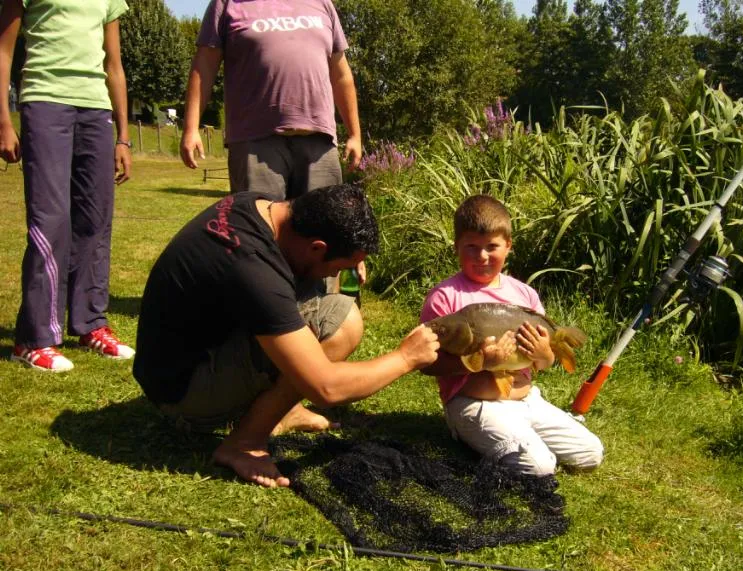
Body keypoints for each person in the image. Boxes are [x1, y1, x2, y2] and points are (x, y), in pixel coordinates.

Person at [133, 184, 439, 488]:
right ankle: (244, 443)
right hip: (185, 395)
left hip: (180, 361)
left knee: (316, 286)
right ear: (317, 246)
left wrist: (349, 252)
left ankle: (285, 409)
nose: (336, 275)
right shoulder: (253, 266)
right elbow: (326, 388)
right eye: (338, 267)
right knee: (343, 322)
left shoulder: (259, 206)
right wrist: (406, 358)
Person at [180, 0, 365, 288]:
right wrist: (191, 127)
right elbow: (205, 65)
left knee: (327, 233)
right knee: (258, 234)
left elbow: (340, 72)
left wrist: (354, 133)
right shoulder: (227, 4)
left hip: (318, 141)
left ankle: (324, 308)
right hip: (255, 141)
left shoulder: (321, 4)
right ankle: (264, 308)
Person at [420, 195, 603, 477]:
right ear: (456, 247)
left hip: (527, 400)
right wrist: (480, 363)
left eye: (492, 246)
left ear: (508, 246)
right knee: (540, 466)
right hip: (473, 403)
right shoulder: (445, 298)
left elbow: (543, 363)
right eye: (471, 247)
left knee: (591, 453)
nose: (482, 256)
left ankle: (520, 434)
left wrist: (545, 353)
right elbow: (427, 363)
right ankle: (475, 433)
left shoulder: (525, 294)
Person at [0, 0, 134, 373]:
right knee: (51, 220)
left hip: (96, 109)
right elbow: (4, 51)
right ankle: (33, 339)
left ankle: (90, 324)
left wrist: (124, 137)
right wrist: (4, 122)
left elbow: (114, 65)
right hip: (45, 102)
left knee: (95, 220)